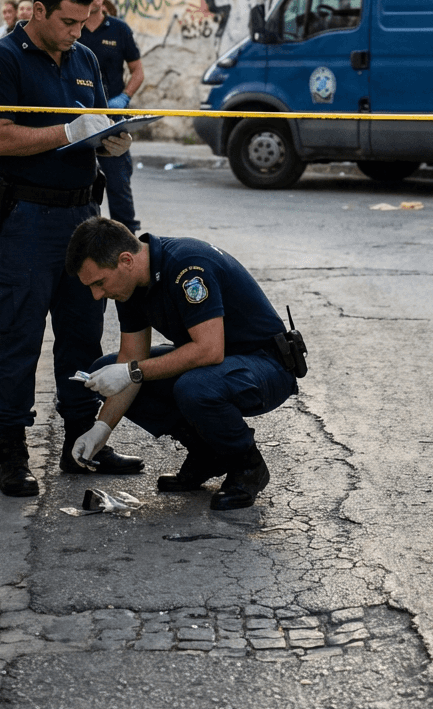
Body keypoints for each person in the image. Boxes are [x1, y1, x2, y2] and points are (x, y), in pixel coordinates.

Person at [0, 0, 143, 497]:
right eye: (68, 21)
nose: (77, 31)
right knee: (20, 335)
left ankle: (80, 443)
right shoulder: (1, 60)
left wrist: (107, 141)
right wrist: (67, 131)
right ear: (38, 11)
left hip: (81, 219)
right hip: (27, 219)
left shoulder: (86, 58)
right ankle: (12, 455)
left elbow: (94, 124)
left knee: (82, 337)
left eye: (84, 20)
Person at [64, 216, 300, 511]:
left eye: (99, 282)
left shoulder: (187, 267)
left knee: (194, 386)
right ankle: (207, 453)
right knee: (107, 367)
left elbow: (208, 351)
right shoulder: (129, 287)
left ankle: (247, 466)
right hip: (221, 366)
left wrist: (131, 371)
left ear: (125, 260)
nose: (97, 295)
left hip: (267, 367)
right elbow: (129, 363)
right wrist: (100, 429)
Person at [79, 0, 144, 232]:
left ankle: (127, 238)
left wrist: (124, 97)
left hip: (113, 119)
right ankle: (83, 237)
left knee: (118, 183)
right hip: (79, 118)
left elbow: (138, 71)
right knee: (80, 182)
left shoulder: (119, 29)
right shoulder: (72, 27)